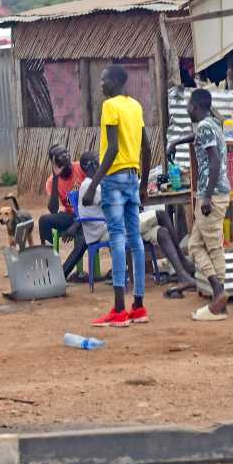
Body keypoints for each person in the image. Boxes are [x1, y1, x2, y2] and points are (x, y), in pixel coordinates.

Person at [83, 65, 151, 327]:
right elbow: (145, 146)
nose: (100, 84)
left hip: (114, 179)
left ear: (114, 82)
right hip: (133, 177)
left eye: (103, 80)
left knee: (118, 238)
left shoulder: (110, 106)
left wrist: (92, 185)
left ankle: (119, 310)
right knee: (136, 240)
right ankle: (139, 306)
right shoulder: (135, 106)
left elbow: (111, 149)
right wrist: (143, 184)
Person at [181, 89, 232, 320]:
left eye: (189, 105)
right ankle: (219, 297)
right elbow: (202, 143)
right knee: (195, 245)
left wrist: (207, 197)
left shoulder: (204, 127)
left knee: (212, 246)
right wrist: (177, 142)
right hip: (218, 192)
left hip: (212, 194)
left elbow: (214, 160)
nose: (186, 109)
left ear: (195, 106)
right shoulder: (212, 125)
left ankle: (219, 296)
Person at [62, 151, 107, 281]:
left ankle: (62, 274)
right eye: (97, 161)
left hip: (97, 226)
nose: (100, 164)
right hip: (99, 228)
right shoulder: (89, 185)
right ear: (90, 166)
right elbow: (110, 203)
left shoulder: (94, 183)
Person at [38, 145, 86, 247]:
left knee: (80, 236)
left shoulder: (80, 167)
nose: (66, 156)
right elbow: (53, 210)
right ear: (54, 163)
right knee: (44, 220)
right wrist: (56, 177)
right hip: (71, 216)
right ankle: (49, 259)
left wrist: (76, 225)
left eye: (66, 152)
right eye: (60, 155)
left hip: (88, 215)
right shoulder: (51, 182)